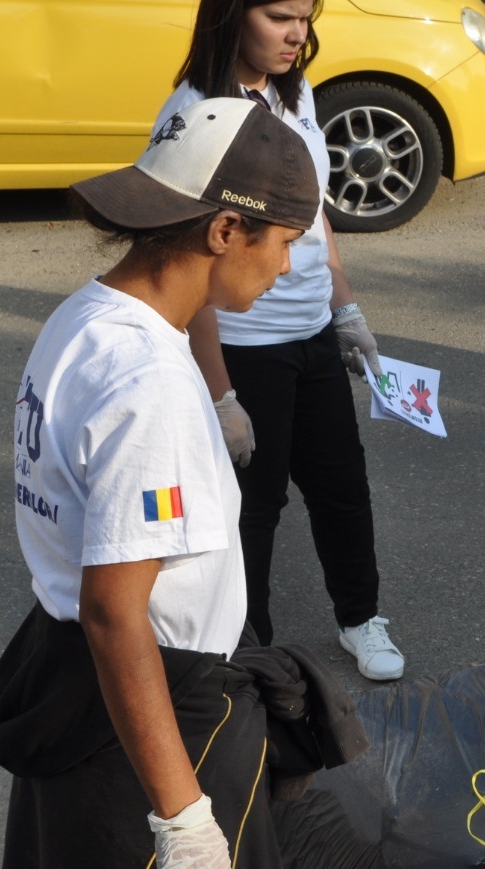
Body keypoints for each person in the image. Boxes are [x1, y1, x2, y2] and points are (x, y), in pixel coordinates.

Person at [0, 97, 314, 869]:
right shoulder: (152, 386)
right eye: (283, 241)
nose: (287, 265)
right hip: (155, 710)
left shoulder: (86, 319)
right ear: (224, 228)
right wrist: (182, 813)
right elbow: (117, 608)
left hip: (79, 688)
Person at [161, 0, 404, 680]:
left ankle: (360, 618)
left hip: (312, 330)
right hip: (241, 341)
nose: (296, 33)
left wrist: (345, 305)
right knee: (253, 508)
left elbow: (314, 208)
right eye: (278, 15)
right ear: (232, 14)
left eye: (305, 15)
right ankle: (247, 649)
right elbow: (189, 262)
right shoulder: (196, 114)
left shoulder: (295, 93)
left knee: (342, 486)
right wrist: (221, 394)